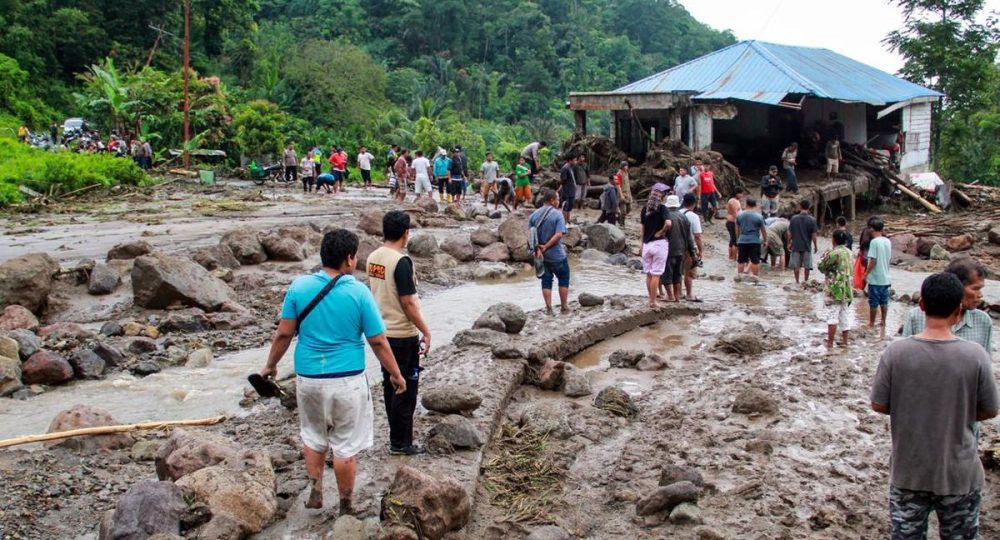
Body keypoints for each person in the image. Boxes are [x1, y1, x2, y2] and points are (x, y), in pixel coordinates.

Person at [258, 229, 406, 514]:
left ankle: (315, 490)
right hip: (347, 381)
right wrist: (395, 374)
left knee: (313, 437)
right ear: (349, 259)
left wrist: (270, 365)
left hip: (309, 379)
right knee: (346, 445)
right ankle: (346, 504)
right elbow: (377, 341)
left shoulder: (299, 287)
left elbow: (283, 335)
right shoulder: (358, 292)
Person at [870, 272, 998, 540]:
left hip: (909, 473)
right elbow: (990, 410)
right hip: (959, 474)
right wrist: (956, 410)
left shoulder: (896, 352)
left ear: (921, 305)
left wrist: (914, 407)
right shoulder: (975, 355)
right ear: (958, 308)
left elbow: (879, 405)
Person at [366, 211, 431, 456]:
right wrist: (425, 330)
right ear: (405, 233)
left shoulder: (373, 257)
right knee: (406, 388)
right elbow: (408, 303)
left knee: (390, 384)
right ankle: (402, 443)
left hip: (381, 333)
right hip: (403, 334)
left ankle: (396, 437)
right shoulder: (400, 261)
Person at [902, 259, 993, 351]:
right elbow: (904, 355)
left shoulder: (983, 321)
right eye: (976, 289)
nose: (980, 295)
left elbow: (985, 360)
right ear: (957, 286)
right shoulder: (916, 317)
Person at [529, 189, 570, 315]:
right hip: (556, 254)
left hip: (541, 256)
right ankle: (564, 307)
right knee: (564, 278)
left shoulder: (534, 215)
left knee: (546, 281)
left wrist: (538, 249)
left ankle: (549, 309)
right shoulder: (558, 215)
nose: (559, 201)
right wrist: (546, 246)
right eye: (557, 199)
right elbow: (558, 235)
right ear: (552, 200)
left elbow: (531, 236)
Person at [818, 230, 854, 348]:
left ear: (834, 240)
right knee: (844, 315)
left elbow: (821, 266)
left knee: (832, 315)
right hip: (847, 288)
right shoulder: (849, 252)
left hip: (835, 288)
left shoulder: (834, 253)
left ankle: (830, 343)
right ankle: (845, 341)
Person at [639, 184, 671, 307]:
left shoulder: (644, 209)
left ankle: (650, 299)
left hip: (647, 244)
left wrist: (641, 244)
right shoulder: (662, 208)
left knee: (648, 274)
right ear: (661, 197)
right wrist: (661, 232)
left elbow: (642, 227)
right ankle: (653, 301)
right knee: (656, 274)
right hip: (659, 244)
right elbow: (668, 223)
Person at [664, 194, 695, 303]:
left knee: (668, 273)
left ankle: (670, 295)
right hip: (681, 250)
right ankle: (677, 296)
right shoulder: (684, 217)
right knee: (677, 274)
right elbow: (689, 237)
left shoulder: (665, 217)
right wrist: (693, 253)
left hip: (668, 249)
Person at [864, 218, 891, 331]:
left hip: (876, 277)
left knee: (873, 302)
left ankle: (871, 322)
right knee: (884, 301)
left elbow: (873, 260)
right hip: (885, 277)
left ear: (872, 229)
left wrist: (866, 273)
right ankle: (883, 321)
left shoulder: (874, 242)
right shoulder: (887, 241)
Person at [680, 193, 704, 302]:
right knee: (689, 272)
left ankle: (678, 293)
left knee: (677, 271)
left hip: (675, 246)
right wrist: (700, 251)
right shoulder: (694, 216)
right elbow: (697, 236)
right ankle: (689, 294)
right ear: (694, 204)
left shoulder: (676, 213)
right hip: (689, 248)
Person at [735, 197, 767, 277]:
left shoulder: (740, 215)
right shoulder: (759, 217)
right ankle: (755, 278)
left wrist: (738, 238)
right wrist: (766, 240)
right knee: (755, 261)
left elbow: (737, 229)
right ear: (755, 205)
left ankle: (739, 277)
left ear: (746, 204)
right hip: (755, 241)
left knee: (741, 260)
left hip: (742, 240)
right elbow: (763, 230)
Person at [788, 200, 818, 284]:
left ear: (800, 207)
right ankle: (806, 281)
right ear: (808, 208)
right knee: (807, 266)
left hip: (796, 245)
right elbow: (814, 235)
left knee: (796, 266)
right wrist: (815, 246)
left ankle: (797, 281)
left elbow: (789, 233)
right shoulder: (812, 220)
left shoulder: (794, 218)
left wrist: (788, 243)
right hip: (807, 246)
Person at [725, 188, 745, 261]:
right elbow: (735, 213)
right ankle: (733, 258)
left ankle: (731, 257)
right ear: (737, 193)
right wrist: (739, 223)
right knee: (735, 241)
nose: (742, 195)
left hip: (732, 222)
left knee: (732, 240)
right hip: (733, 222)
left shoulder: (734, 200)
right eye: (741, 193)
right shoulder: (733, 201)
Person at [559, 155, 578, 222]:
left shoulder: (570, 167)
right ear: (570, 160)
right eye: (575, 160)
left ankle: (568, 220)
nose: (576, 161)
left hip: (571, 190)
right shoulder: (565, 168)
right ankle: (564, 221)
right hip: (566, 190)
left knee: (569, 206)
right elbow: (563, 179)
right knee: (565, 206)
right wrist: (561, 187)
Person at [615, 161, 633, 227]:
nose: (627, 167)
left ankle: (618, 218)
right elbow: (618, 185)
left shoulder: (626, 173)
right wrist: (621, 195)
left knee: (630, 208)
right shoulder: (618, 174)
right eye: (625, 166)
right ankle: (622, 224)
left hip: (628, 194)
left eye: (627, 166)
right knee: (623, 211)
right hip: (622, 193)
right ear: (622, 166)